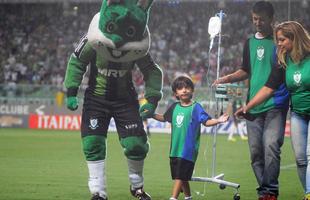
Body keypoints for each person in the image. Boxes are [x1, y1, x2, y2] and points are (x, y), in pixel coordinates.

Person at [64, 1, 162, 200]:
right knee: (93, 143)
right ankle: (98, 192)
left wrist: (152, 99)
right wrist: (71, 92)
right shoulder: (94, 40)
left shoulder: (135, 47)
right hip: (96, 99)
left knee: (136, 144)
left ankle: (137, 188)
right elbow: (77, 61)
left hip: (125, 100)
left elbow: (152, 71)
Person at [213, 1, 289, 200]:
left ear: (271, 19)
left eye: (261, 19)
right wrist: (227, 78)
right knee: (256, 154)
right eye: (255, 19)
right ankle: (266, 192)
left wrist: (247, 105)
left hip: (274, 104)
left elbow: (273, 82)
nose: (257, 23)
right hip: (253, 109)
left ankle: (269, 192)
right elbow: (246, 70)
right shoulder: (249, 42)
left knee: (271, 147)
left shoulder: (279, 42)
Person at [235, 21, 310, 200]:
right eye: (277, 40)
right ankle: (307, 193)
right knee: (300, 159)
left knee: (309, 154)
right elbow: (269, 87)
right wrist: (248, 106)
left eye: (282, 40)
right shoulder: (282, 60)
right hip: (298, 114)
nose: (279, 44)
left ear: (295, 37)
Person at [153, 75, 229, 200]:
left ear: (192, 90)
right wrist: (151, 114)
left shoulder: (196, 107)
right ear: (175, 93)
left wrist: (218, 120)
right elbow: (164, 118)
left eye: (187, 87)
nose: (184, 90)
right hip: (174, 149)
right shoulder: (174, 107)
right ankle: (188, 197)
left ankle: (173, 198)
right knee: (182, 177)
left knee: (180, 176)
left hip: (188, 149)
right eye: (180, 88)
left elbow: (206, 121)